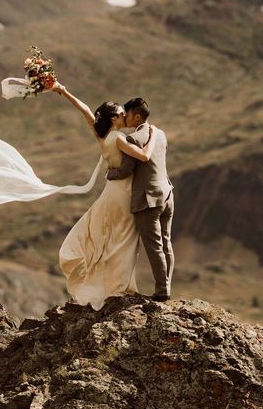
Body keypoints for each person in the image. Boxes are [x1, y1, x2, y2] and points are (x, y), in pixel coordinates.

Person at [51, 83, 156, 310]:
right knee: (124, 240)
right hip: (123, 193)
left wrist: (63, 90)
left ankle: (107, 285)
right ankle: (118, 287)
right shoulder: (119, 138)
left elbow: (86, 111)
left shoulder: (103, 138)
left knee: (106, 237)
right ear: (113, 120)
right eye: (120, 114)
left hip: (110, 192)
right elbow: (145, 157)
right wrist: (154, 137)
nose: (124, 116)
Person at [106, 98, 174, 301]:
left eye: (126, 115)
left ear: (136, 116)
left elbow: (126, 170)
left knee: (154, 247)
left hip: (148, 200)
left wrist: (110, 173)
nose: (124, 118)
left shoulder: (133, 139)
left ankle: (162, 292)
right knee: (166, 243)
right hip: (167, 194)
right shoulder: (160, 134)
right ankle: (167, 286)